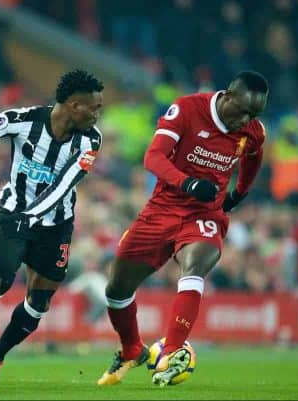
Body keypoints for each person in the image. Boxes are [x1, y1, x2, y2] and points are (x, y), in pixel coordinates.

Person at [97, 71, 268, 387]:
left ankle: (171, 352)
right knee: (117, 290)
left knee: (195, 266)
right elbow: (153, 157)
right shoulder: (188, 109)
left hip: (204, 214)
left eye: (253, 114)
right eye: (242, 110)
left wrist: (238, 194)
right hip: (162, 209)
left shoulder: (253, 131)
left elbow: (252, 161)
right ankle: (132, 349)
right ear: (227, 95)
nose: (245, 119)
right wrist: (186, 182)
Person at [0, 69, 104, 386]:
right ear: (75, 106)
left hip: (56, 224)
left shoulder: (91, 139)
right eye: (94, 107)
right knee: (1, 281)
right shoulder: (24, 119)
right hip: (12, 213)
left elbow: (66, 183)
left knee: (39, 304)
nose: (97, 114)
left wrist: (34, 214)